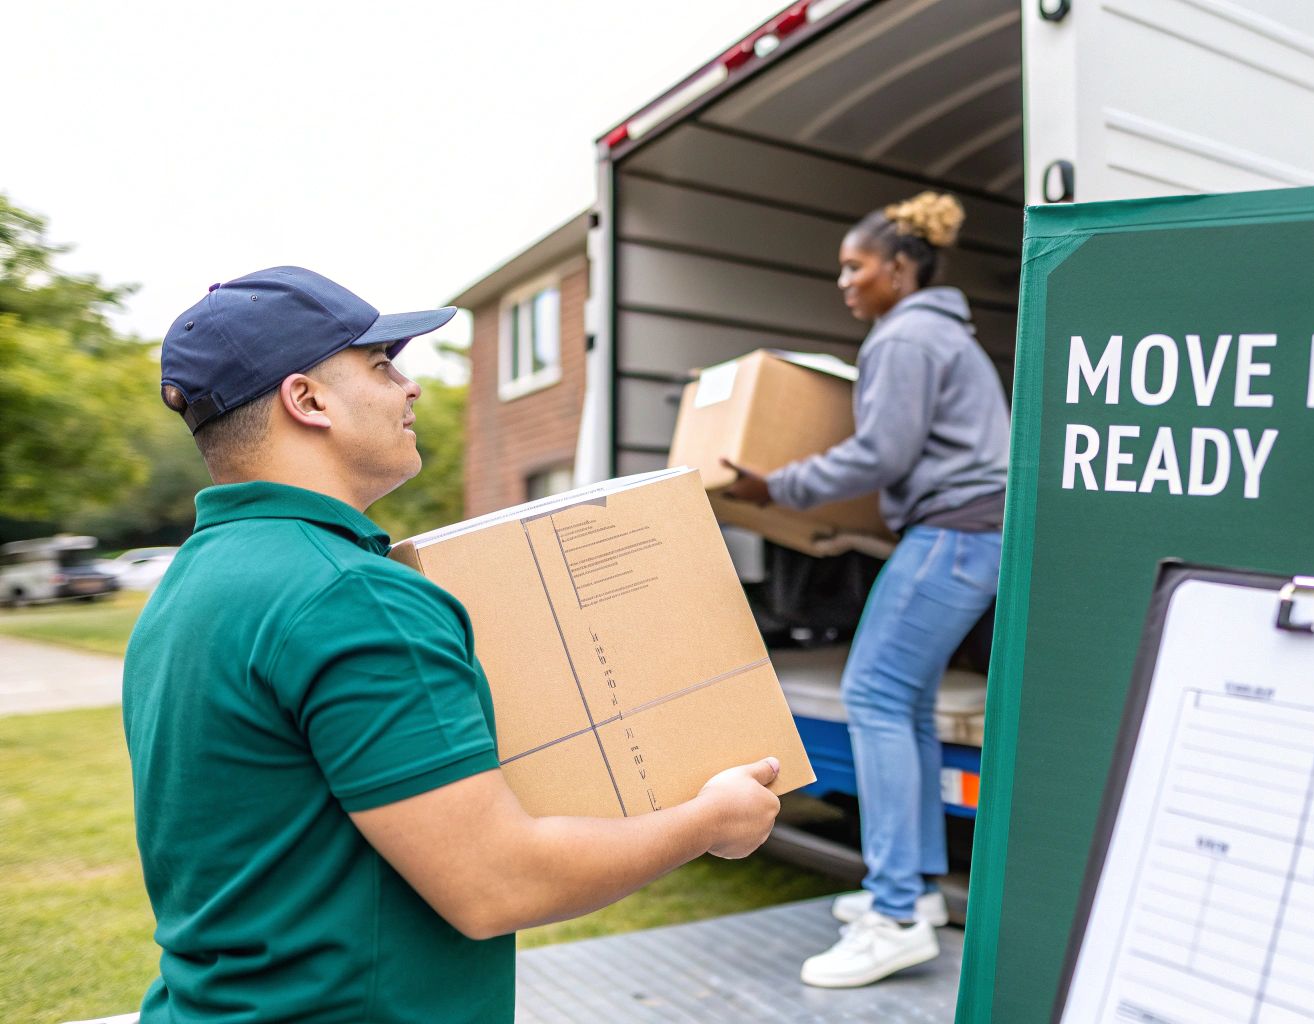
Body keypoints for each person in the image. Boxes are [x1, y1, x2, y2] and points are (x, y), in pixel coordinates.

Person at [123, 266, 782, 1023]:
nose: (411, 388)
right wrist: (709, 821)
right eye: (380, 365)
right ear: (307, 400)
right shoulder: (351, 596)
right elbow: (497, 884)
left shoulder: (191, 584)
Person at [723, 192, 1010, 988]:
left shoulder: (906, 336)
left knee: (874, 694)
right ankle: (914, 894)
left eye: (855, 267)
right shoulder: (942, 333)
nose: (844, 282)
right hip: (973, 532)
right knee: (904, 702)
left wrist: (771, 486)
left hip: (955, 532)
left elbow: (879, 453)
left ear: (898, 267)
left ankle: (889, 915)